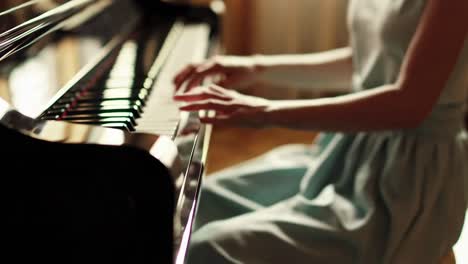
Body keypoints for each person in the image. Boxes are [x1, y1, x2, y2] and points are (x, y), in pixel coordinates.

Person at [173, 0, 468, 263]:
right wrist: (258, 67)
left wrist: (265, 112)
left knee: (209, 248)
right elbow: (364, 59)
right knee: (195, 203)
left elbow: (408, 106)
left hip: (407, 181)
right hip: (347, 155)